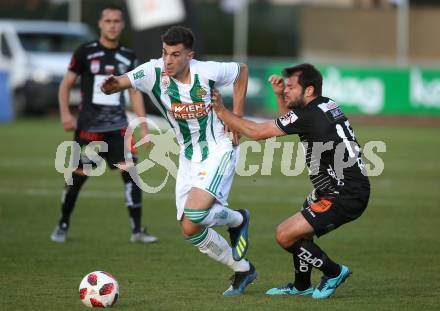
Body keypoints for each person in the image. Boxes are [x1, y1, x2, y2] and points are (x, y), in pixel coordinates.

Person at [100, 26, 257, 296]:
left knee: (196, 214)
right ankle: (243, 269)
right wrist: (112, 85)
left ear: (189, 56)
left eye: (175, 54)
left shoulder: (206, 72)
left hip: (219, 147)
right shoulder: (153, 71)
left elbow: (241, 71)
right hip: (188, 155)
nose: (168, 60)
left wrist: (237, 119)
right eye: (165, 53)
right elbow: (122, 81)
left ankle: (236, 219)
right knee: (190, 229)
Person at [211, 63, 370, 299]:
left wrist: (223, 112)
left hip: (344, 194)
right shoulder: (325, 104)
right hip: (335, 188)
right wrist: (279, 94)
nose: (286, 90)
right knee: (302, 229)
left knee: (285, 235)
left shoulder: (309, 114)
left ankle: (333, 272)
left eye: (291, 87)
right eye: (285, 87)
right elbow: (291, 120)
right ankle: (302, 285)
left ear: (309, 90)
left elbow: (256, 133)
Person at [50, 4, 157, 244]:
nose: (112, 25)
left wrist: (143, 126)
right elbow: (66, 84)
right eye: (108, 20)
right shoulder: (85, 52)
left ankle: (137, 231)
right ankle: (62, 224)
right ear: (100, 24)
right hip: (88, 128)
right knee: (77, 177)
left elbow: (135, 92)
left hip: (118, 128)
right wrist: (65, 114)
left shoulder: (128, 56)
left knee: (131, 174)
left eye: (116, 21)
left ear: (122, 25)